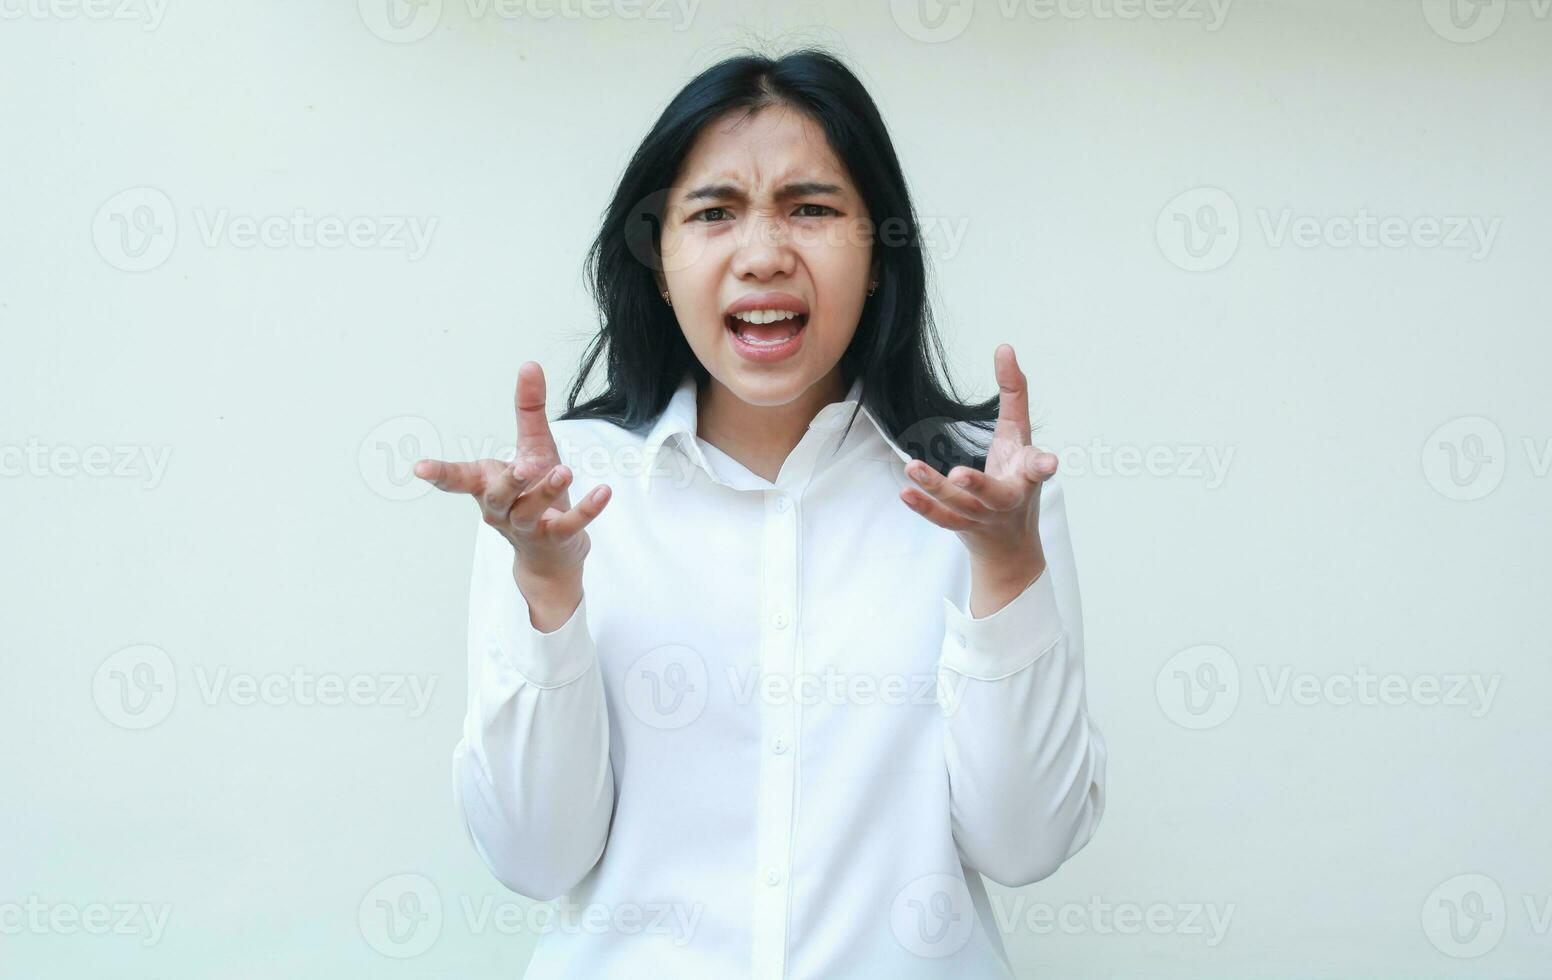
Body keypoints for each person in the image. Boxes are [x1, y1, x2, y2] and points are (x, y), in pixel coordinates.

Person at [414, 47, 1106, 980]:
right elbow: (535, 859)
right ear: (659, 261)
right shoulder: (559, 497)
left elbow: (1026, 847)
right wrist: (545, 589)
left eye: (812, 209)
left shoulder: (988, 497)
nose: (764, 253)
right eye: (714, 213)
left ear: (877, 257)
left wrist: (1009, 570)